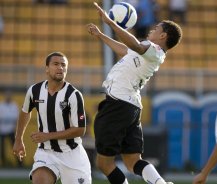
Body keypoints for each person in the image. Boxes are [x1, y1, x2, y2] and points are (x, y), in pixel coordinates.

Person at [87, 2, 182, 184]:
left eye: (156, 28)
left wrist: (109, 22)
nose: (151, 30)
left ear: (163, 36)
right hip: (130, 106)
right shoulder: (148, 51)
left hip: (118, 104)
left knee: (104, 164)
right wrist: (101, 36)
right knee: (133, 161)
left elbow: (135, 45)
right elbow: (125, 50)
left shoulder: (153, 50)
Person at [13, 52, 92, 184]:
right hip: (46, 152)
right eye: (56, 64)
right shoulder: (34, 91)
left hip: (72, 154)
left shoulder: (73, 95)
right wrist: (18, 139)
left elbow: (80, 130)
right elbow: (25, 111)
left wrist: (48, 135)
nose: (60, 67)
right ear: (47, 68)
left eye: (63, 65)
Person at [0, 91, 19, 166]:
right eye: (6, 95)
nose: (8, 97)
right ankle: (3, 163)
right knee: (2, 149)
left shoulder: (14, 105)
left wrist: (5, 120)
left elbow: (15, 117)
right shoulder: (1, 105)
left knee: (15, 147)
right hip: (2, 130)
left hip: (11, 130)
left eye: (9, 95)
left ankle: (19, 163)